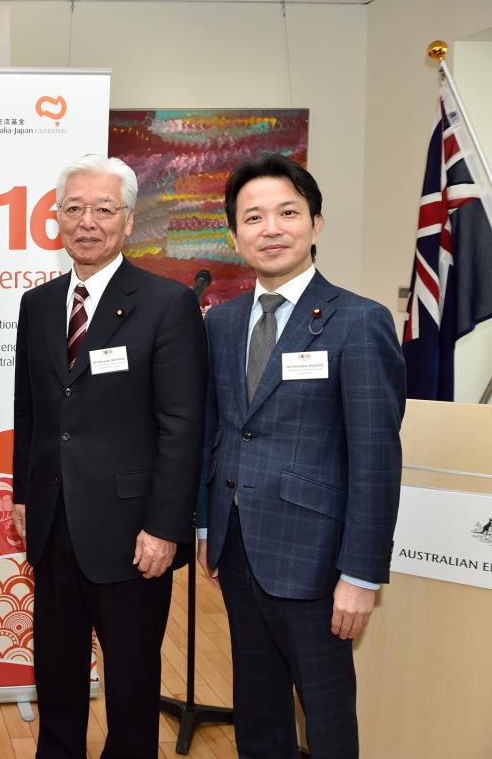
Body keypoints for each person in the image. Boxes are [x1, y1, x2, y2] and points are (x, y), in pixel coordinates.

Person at [196, 154, 405, 759]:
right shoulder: (223, 324)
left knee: (328, 721)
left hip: (319, 562)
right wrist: (209, 523)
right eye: (253, 217)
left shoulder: (359, 321)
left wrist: (361, 575)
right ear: (234, 235)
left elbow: (375, 459)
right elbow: (219, 431)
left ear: (315, 224)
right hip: (238, 551)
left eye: (288, 212)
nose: (271, 228)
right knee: (258, 716)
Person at [12, 154, 207, 758]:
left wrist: (164, 526)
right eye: (74, 209)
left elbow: (183, 424)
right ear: (56, 220)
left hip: (132, 531)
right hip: (53, 524)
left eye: (103, 209)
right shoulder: (38, 305)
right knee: (58, 675)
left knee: (131, 686)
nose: (87, 222)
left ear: (127, 222)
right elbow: (31, 411)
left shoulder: (165, 303)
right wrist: (23, 495)